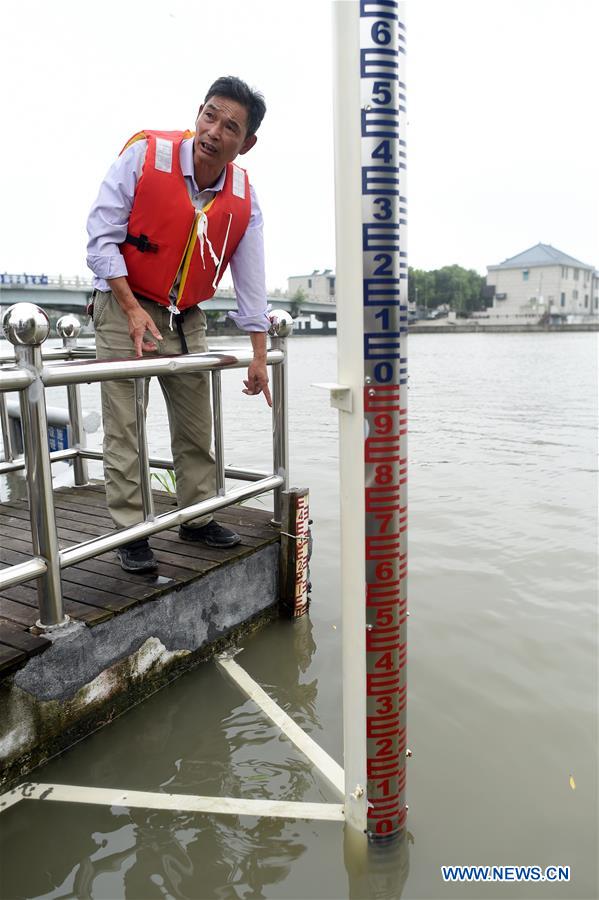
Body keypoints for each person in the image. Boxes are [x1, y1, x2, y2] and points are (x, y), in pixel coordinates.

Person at [86, 76, 271, 573]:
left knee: (197, 424)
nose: (214, 130)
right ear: (198, 114)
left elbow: (251, 282)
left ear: (246, 142)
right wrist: (129, 307)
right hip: (124, 305)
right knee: (125, 425)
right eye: (209, 115)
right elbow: (100, 239)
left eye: (230, 125)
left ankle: (198, 514)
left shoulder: (244, 197)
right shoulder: (144, 156)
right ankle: (132, 530)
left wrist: (258, 355)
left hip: (185, 315)